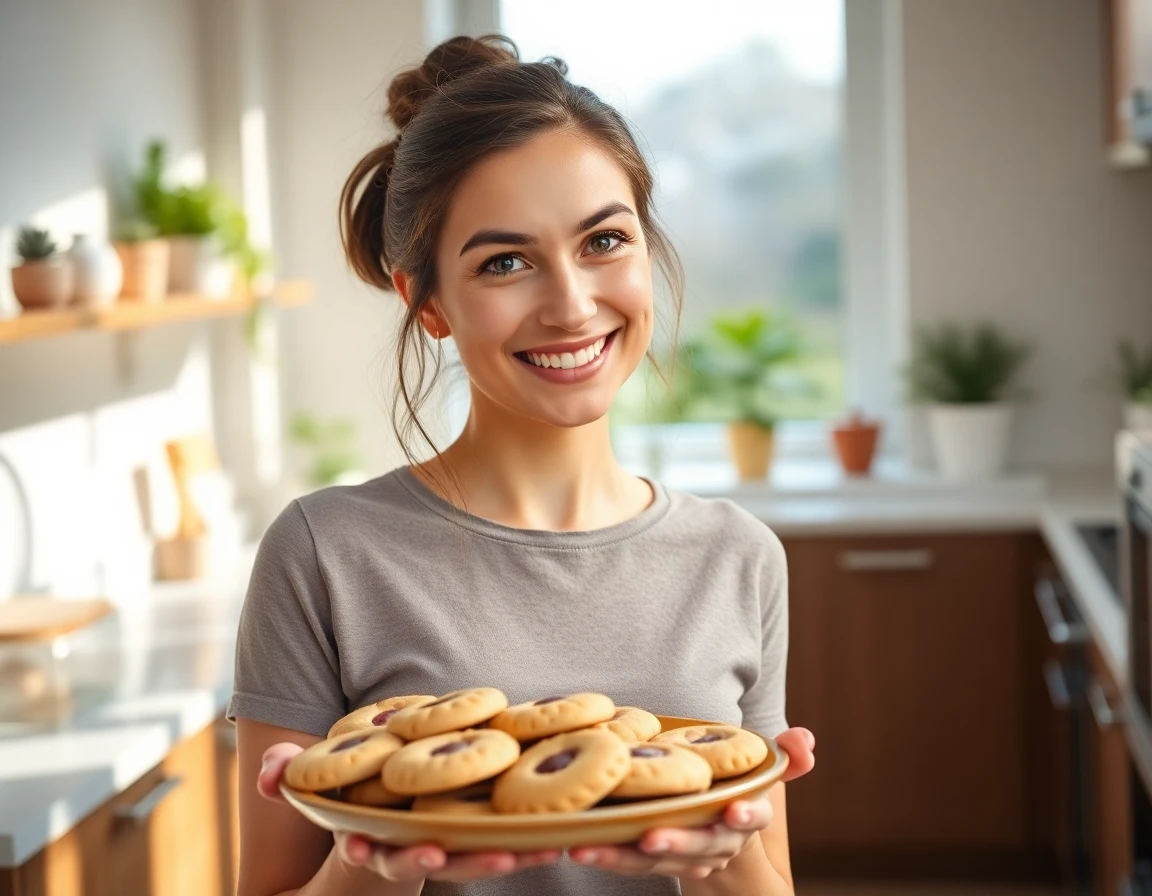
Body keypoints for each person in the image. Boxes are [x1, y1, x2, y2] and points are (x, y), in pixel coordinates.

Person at [227, 34, 816, 896]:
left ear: (645, 251)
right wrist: (377, 862)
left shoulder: (739, 556)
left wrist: (720, 861)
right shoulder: (325, 553)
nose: (572, 305)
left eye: (604, 241)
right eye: (505, 262)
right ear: (424, 301)